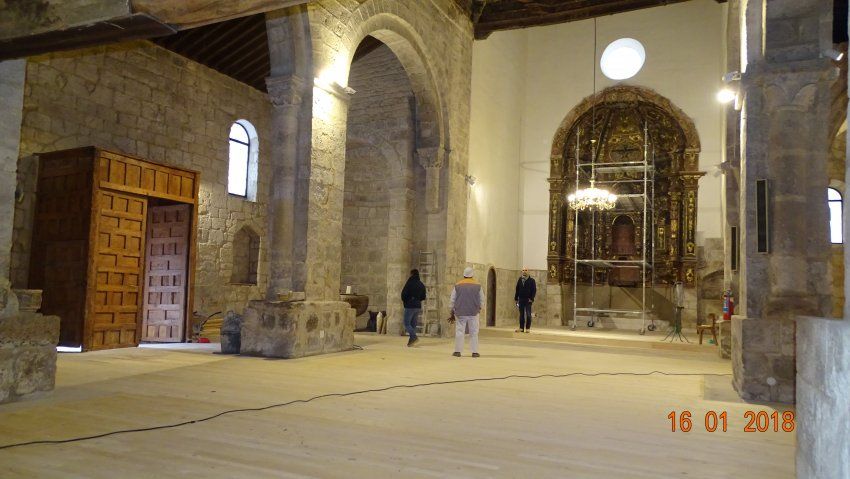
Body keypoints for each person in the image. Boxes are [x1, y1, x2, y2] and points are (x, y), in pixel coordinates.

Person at [450, 267, 485, 357]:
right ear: (472, 275)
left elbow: (452, 299)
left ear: (464, 275)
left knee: (459, 331)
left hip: (460, 312)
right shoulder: (478, 286)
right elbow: (482, 299)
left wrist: (452, 310)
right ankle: (474, 352)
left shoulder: (457, 285)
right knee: (474, 332)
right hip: (473, 312)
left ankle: (458, 351)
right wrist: (480, 308)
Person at [400, 269, 427, 347]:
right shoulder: (421, 284)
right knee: (413, 324)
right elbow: (423, 296)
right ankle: (411, 341)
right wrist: (417, 300)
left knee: (407, 323)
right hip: (417, 306)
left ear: (411, 274)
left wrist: (406, 301)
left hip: (410, 306)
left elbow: (403, 294)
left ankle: (414, 337)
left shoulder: (409, 283)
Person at [514, 268, 537, 333]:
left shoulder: (532, 280)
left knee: (528, 314)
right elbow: (517, 289)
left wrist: (532, 298)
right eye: (523, 270)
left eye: (526, 270)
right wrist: (516, 298)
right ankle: (521, 328)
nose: (524, 271)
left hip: (528, 300)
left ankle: (527, 328)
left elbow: (534, 290)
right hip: (521, 299)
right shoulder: (520, 279)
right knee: (521, 314)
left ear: (528, 272)